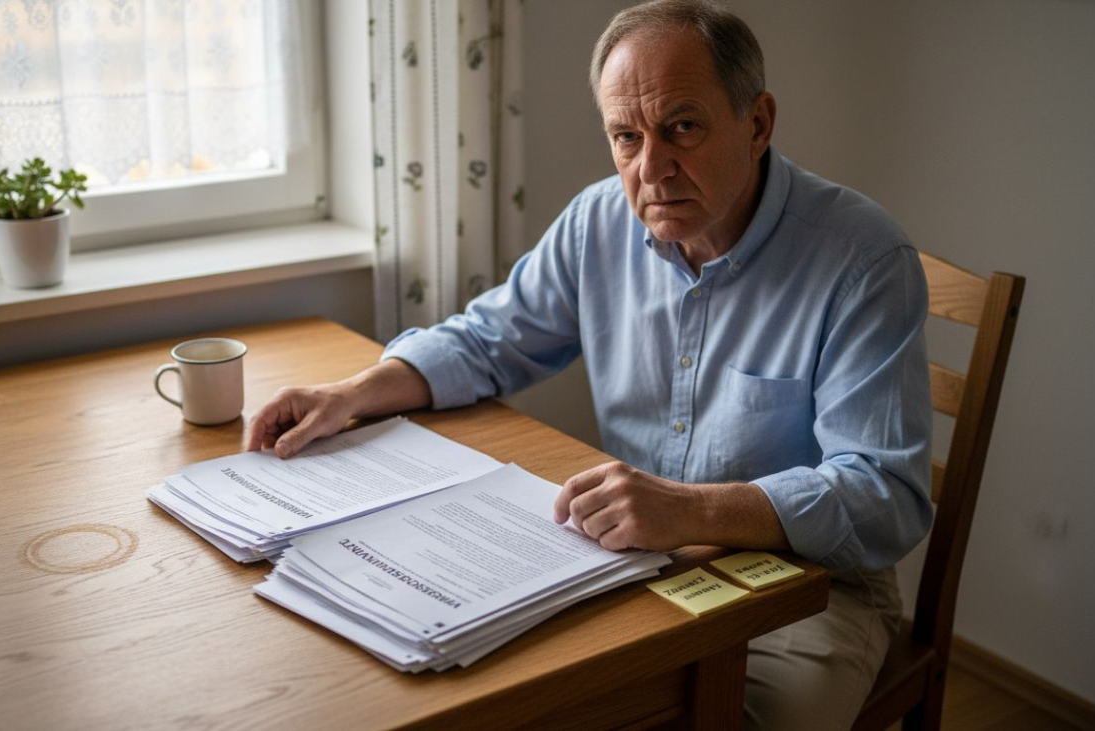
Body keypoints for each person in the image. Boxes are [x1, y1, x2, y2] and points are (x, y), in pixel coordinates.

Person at [246, 1, 932, 728]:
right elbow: (489, 339)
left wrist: (690, 509)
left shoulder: (862, 258)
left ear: (757, 124)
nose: (652, 168)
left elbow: (884, 495)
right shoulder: (599, 221)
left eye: (683, 128)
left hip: (809, 588)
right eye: (625, 136)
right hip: (638, 562)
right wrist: (355, 393)